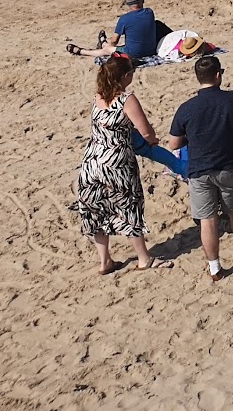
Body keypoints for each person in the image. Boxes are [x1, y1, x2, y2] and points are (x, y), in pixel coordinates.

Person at [71, 56, 171, 274]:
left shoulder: (98, 97)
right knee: (128, 206)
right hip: (117, 162)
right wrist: (152, 141)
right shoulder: (127, 99)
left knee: (96, 209)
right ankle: (144, 258)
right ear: (126, 76)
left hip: (92, 160)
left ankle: (104, 260)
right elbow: (145, 131)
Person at [165, 55, 233, 283]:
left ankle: (215, 268)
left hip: (199, 170)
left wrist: (194, 138)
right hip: (228, 165)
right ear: (218, 75)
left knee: (208, 219)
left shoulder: (187, 108)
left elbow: (174, 143)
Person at [67, 0, 161, 60]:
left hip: (134, 54)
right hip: (151, 50)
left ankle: (82, 51)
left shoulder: (124, 19)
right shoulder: (149, 12)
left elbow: (114, 41)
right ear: (141, 2)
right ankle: (103, 42)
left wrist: (110, 47)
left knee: (107, 50)